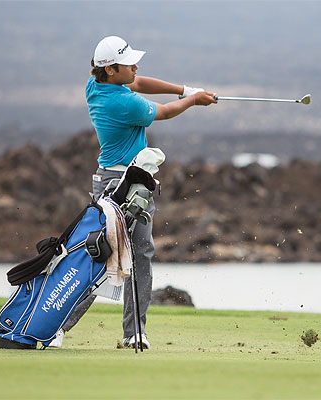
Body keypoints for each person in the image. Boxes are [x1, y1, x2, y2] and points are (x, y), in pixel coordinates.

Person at [50, 36, 217, 349]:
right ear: (111, 70)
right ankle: (56, 325)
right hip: (122, 185)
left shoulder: (96, 86)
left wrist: (185, 89)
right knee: (106, 257)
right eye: (128, 63)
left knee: (135, 253)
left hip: (121, 180)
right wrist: (193, 101)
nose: (136, 67)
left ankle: (133, 332)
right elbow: (165, 112)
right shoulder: (123, 103)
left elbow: (139, 81)